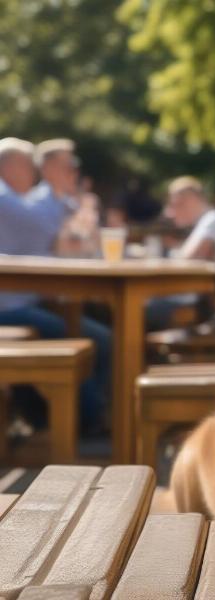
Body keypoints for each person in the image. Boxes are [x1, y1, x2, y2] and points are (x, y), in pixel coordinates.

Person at [0, 137, 111, 434]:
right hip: (10, 307)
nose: (33, 171)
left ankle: (54, 421)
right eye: (28, 164)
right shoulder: (6, 199)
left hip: (25, 300)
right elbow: (65, 240)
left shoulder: (16, 200)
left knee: (91, 333)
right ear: (10, 165)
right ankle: (82, 422)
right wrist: (79, 207)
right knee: (91, 339)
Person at [146, 176, 215, 329]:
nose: (170, 213)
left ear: (191, 200)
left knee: (141, 308)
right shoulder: (209, 221)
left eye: (174, 204)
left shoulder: (213, 220)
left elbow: (187, 263)